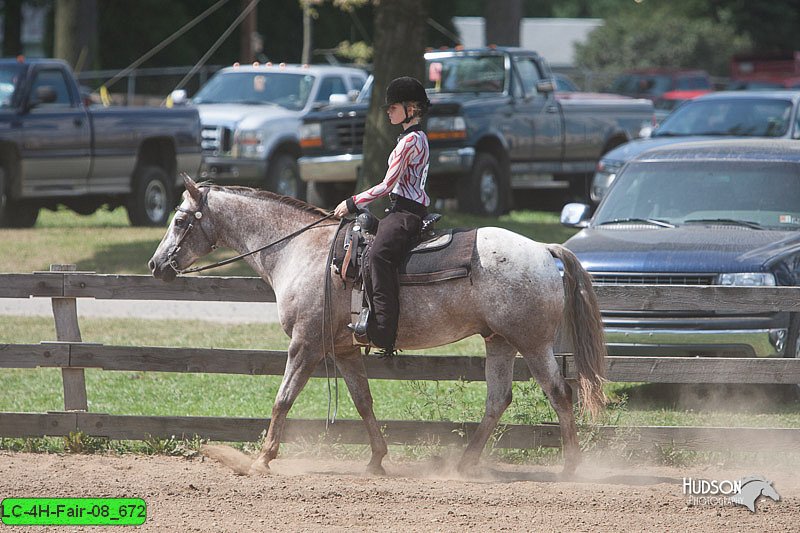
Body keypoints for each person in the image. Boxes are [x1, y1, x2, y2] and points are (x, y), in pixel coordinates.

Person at [334, 76, 431, 356]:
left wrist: (353, 202)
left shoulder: (409, 142)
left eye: (393, 107)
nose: (388, 111)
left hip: (406, 212)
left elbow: (387, 185)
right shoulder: (413, 138)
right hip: (401, 208)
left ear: (410, 108)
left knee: (378, 255)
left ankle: (383, 331)